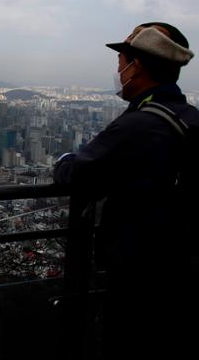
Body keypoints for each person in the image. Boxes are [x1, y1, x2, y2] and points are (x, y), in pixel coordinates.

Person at [53, 22, 198, 359]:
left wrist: (63, 159)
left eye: (121, 61)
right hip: (181, 263)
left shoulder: (139, 124)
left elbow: (76, 173)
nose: (118, 70)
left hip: (139, 270)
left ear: (138, 66)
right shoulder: (191, 118)